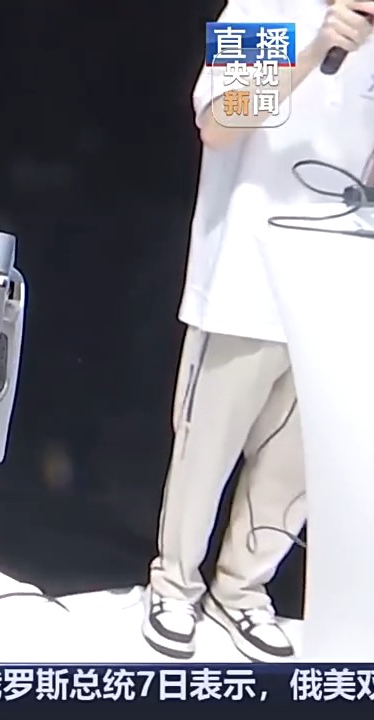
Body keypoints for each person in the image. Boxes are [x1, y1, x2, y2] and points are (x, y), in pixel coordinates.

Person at [144, 0, 374, 662]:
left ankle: (243, 591)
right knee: (205, 452)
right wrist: (314, 51)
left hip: (340, 290)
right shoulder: (270, 9)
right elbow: (218, 123)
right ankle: (174, 586)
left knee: (298, 465)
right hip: (245, 278)